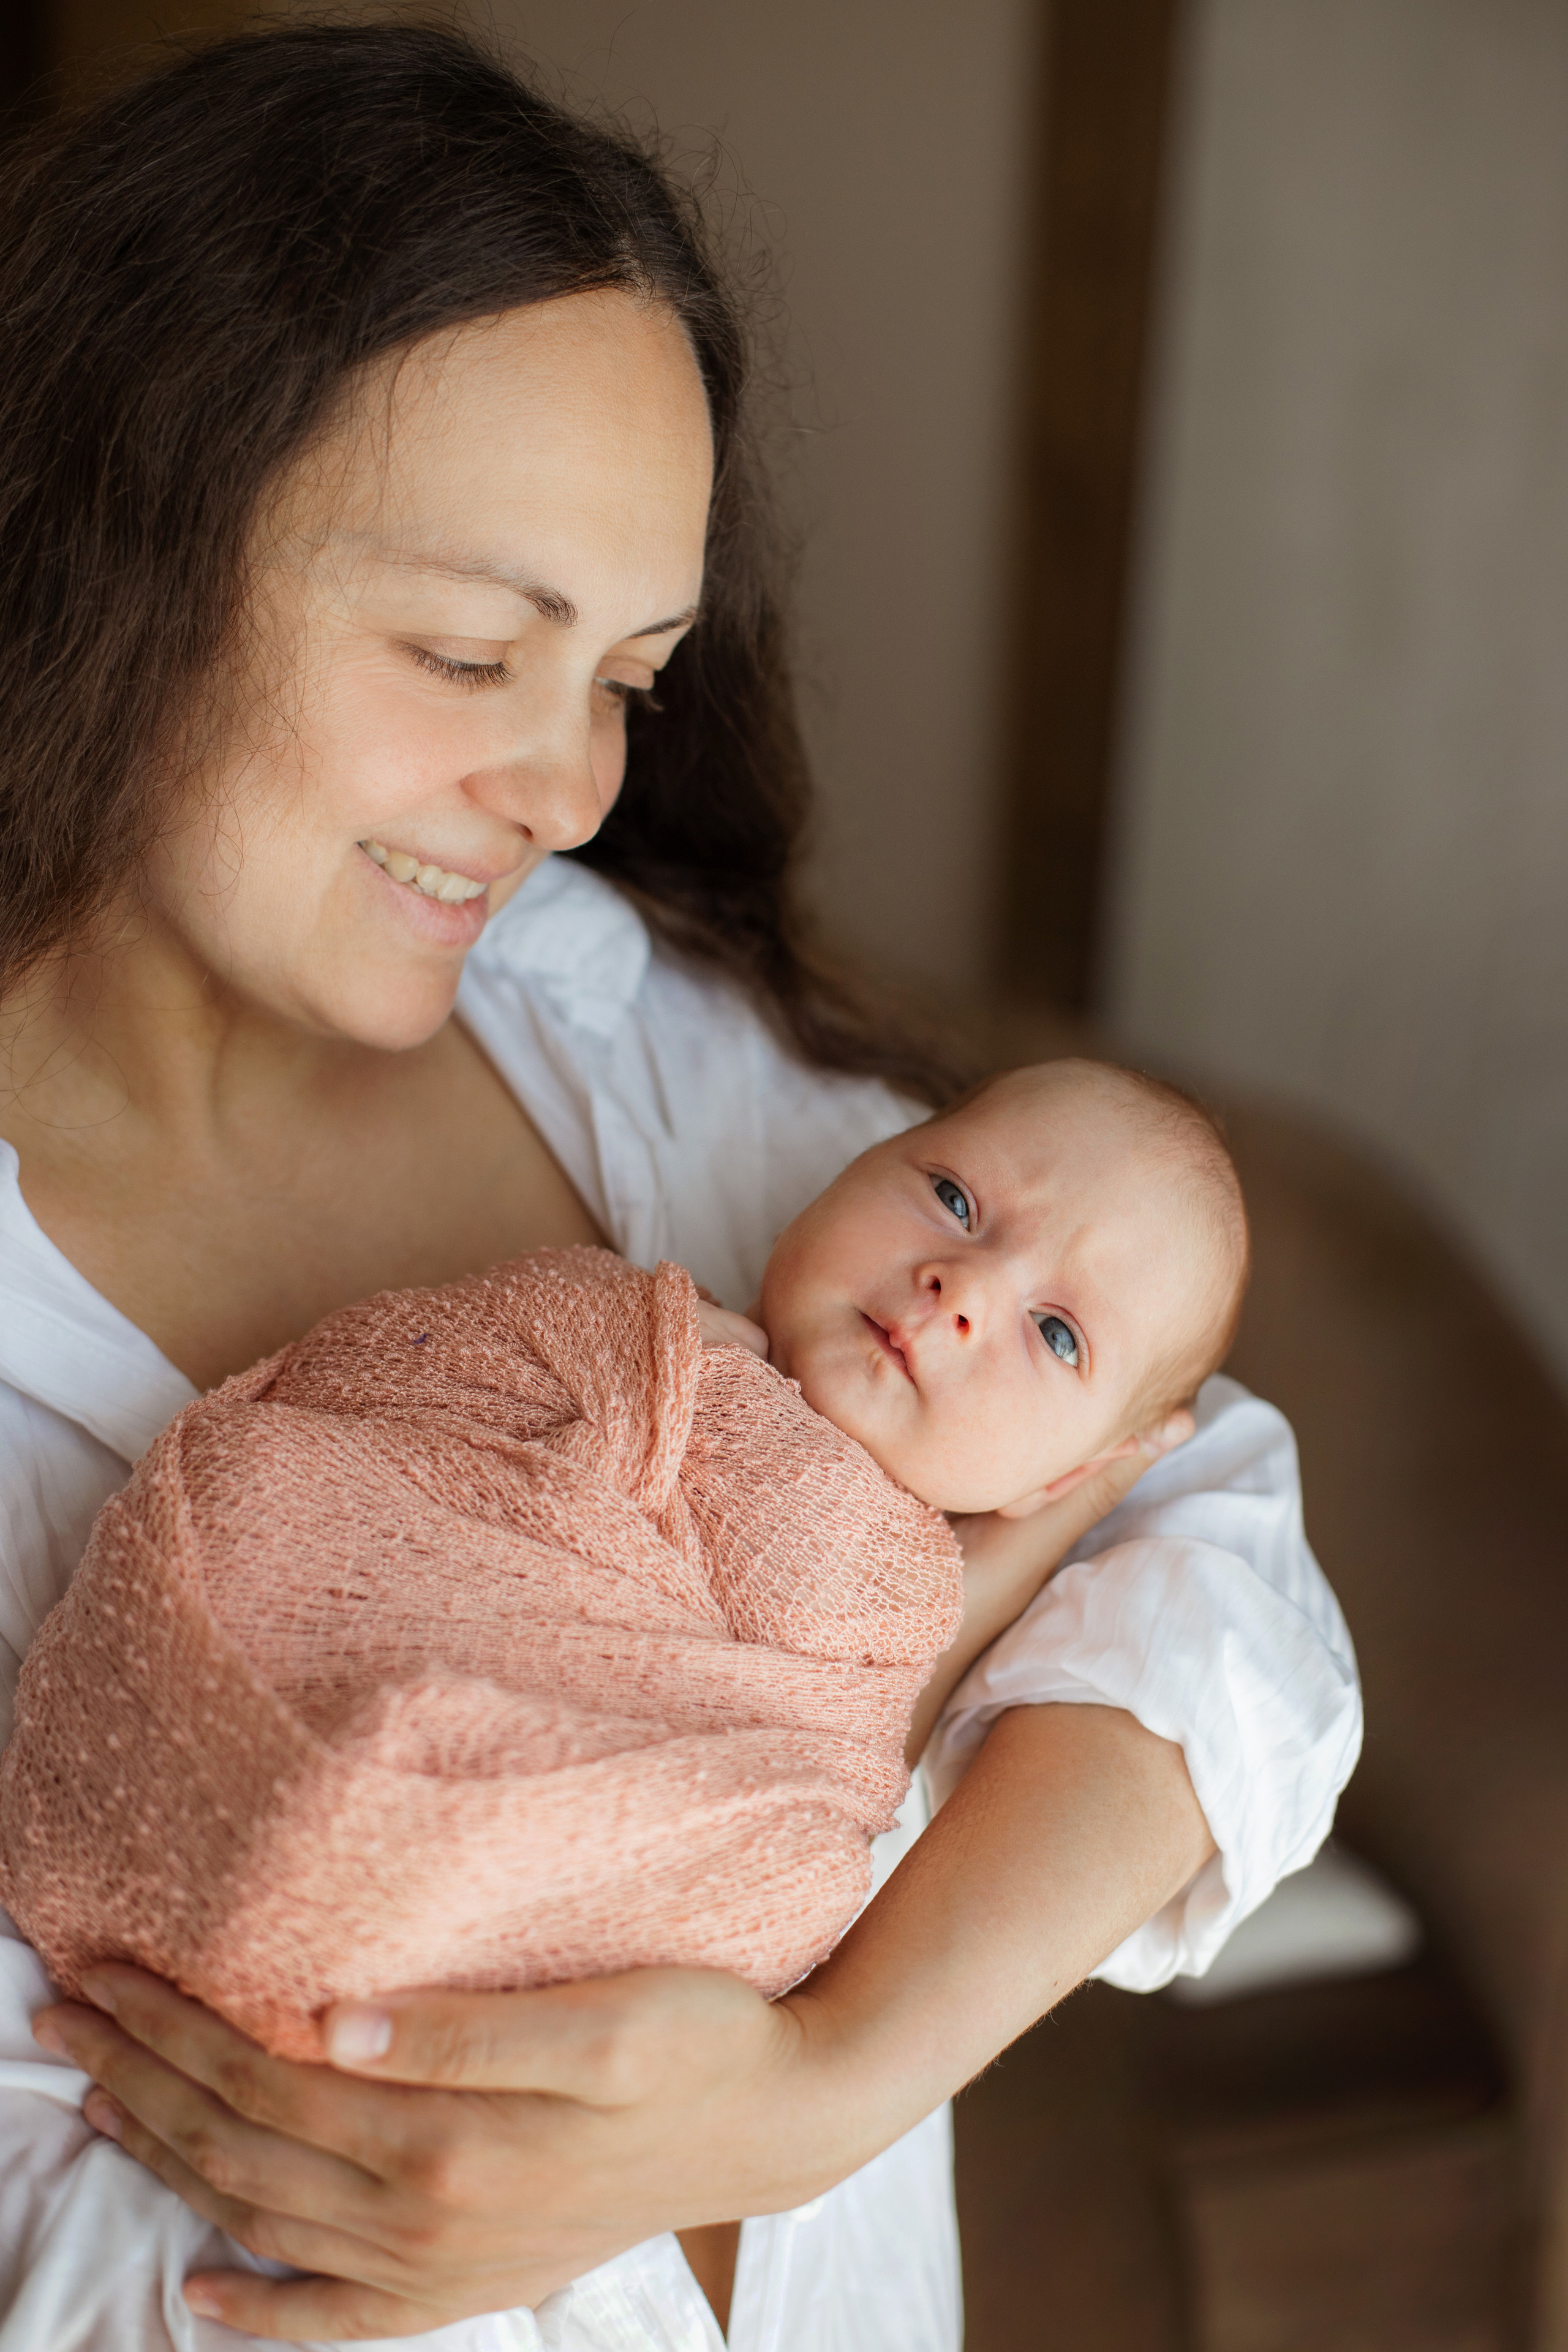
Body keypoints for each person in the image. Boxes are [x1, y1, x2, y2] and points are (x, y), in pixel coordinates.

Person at [0, 21, 1360, 2350]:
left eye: (629, 677)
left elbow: (1208, 1524)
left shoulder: (605, 1027)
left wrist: (823, 2085)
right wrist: (452, 2198)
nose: (566, 792)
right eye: (470, 653)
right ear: (111, 538)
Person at [2, 1058, 1251, 2070]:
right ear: (851, 1167)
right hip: (271, 1652)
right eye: (953, 1197)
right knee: (259, 1488)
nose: (961, 1284)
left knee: (798, 1872)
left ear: (1061, 1481)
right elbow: (370, 1381)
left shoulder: (886, 1581)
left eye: (1055, 1334)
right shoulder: (620, 1326)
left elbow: (834, 1753)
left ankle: (344, 1861)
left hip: (434, 1874)